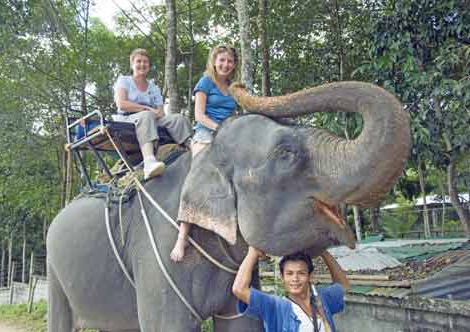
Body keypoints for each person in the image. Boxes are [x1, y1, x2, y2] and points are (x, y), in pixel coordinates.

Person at [170, 45, 239, 262]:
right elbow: (199, 115)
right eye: (222, 60)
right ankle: (182, 237)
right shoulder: (205, 82)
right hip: (205, 134)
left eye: (229, 61)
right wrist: (218, 129)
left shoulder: (233, 87)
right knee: (198, 175)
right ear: (214, 61)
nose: (225, 65)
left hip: (228, 135)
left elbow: (236, 114)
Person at [114, 48, 193, 180]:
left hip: (151, 119)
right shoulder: (124, 81)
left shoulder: (153, 87)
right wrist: (146, 109)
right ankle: (149, 161)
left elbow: (160, 111)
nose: (142, 65)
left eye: (145, 62)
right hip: (127, 119)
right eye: (138, 61)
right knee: (146, 115)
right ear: (132, 64)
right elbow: (122, 104)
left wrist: (155, 112)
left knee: (178, 118)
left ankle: (193, 147)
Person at [232, 248, 350, 332]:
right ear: (282, 277)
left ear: (310, 276)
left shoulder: (321, 298)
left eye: (301, 273)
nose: (295, 279)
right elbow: (239, 289)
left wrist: (323, 252)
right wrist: (252, 252)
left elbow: (343, 286)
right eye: (289, 273)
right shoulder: (275, 306)